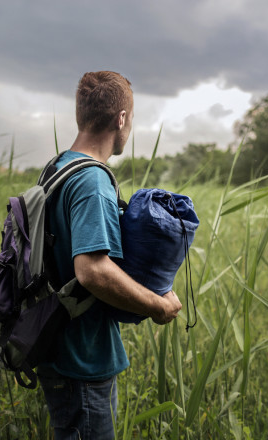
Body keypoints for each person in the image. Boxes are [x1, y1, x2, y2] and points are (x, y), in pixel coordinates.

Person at [37, 71, 183, 439]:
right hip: (82, 357)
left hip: (55, 344)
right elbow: (92, 271)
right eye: (130, 119)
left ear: (79, 116)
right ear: (121, 119)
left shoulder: (57, 168)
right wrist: (157, 305)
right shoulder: (92, 181)